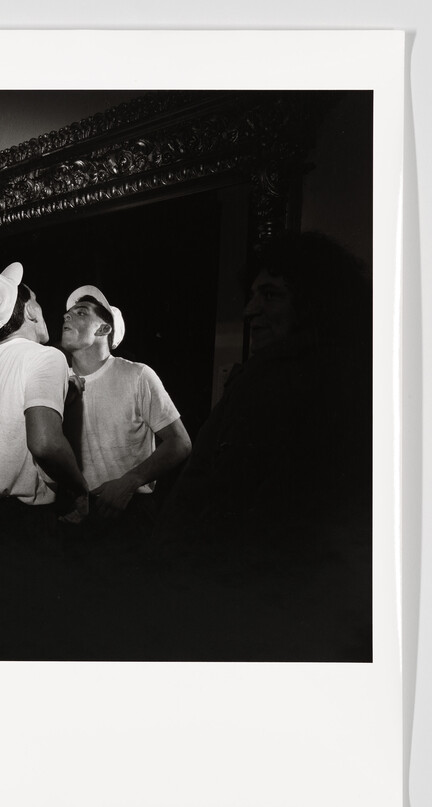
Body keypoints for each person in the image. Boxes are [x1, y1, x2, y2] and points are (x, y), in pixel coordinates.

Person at [153, 231, 373, 661]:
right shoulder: (336, 374)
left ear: (315, 301)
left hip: (247, 605)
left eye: (270, 295)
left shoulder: (283, 382)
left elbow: (226, 501)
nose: (250, 309)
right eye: (253, 294)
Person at [0, 262, 90, 657]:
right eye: (38, 302)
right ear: (29, 310)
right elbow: (43, 442)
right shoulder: (47, 358)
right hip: (24, 532)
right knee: (32, 646)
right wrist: (80, 490)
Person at [60, 285, 191, 524]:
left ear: (104, 328)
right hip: (73, 515)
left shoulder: (137, 375)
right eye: (68, 314)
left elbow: (180, 443)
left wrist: (129, 482)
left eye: (81, 312)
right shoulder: (56, 381)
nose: (66, 316)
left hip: (129, 512)